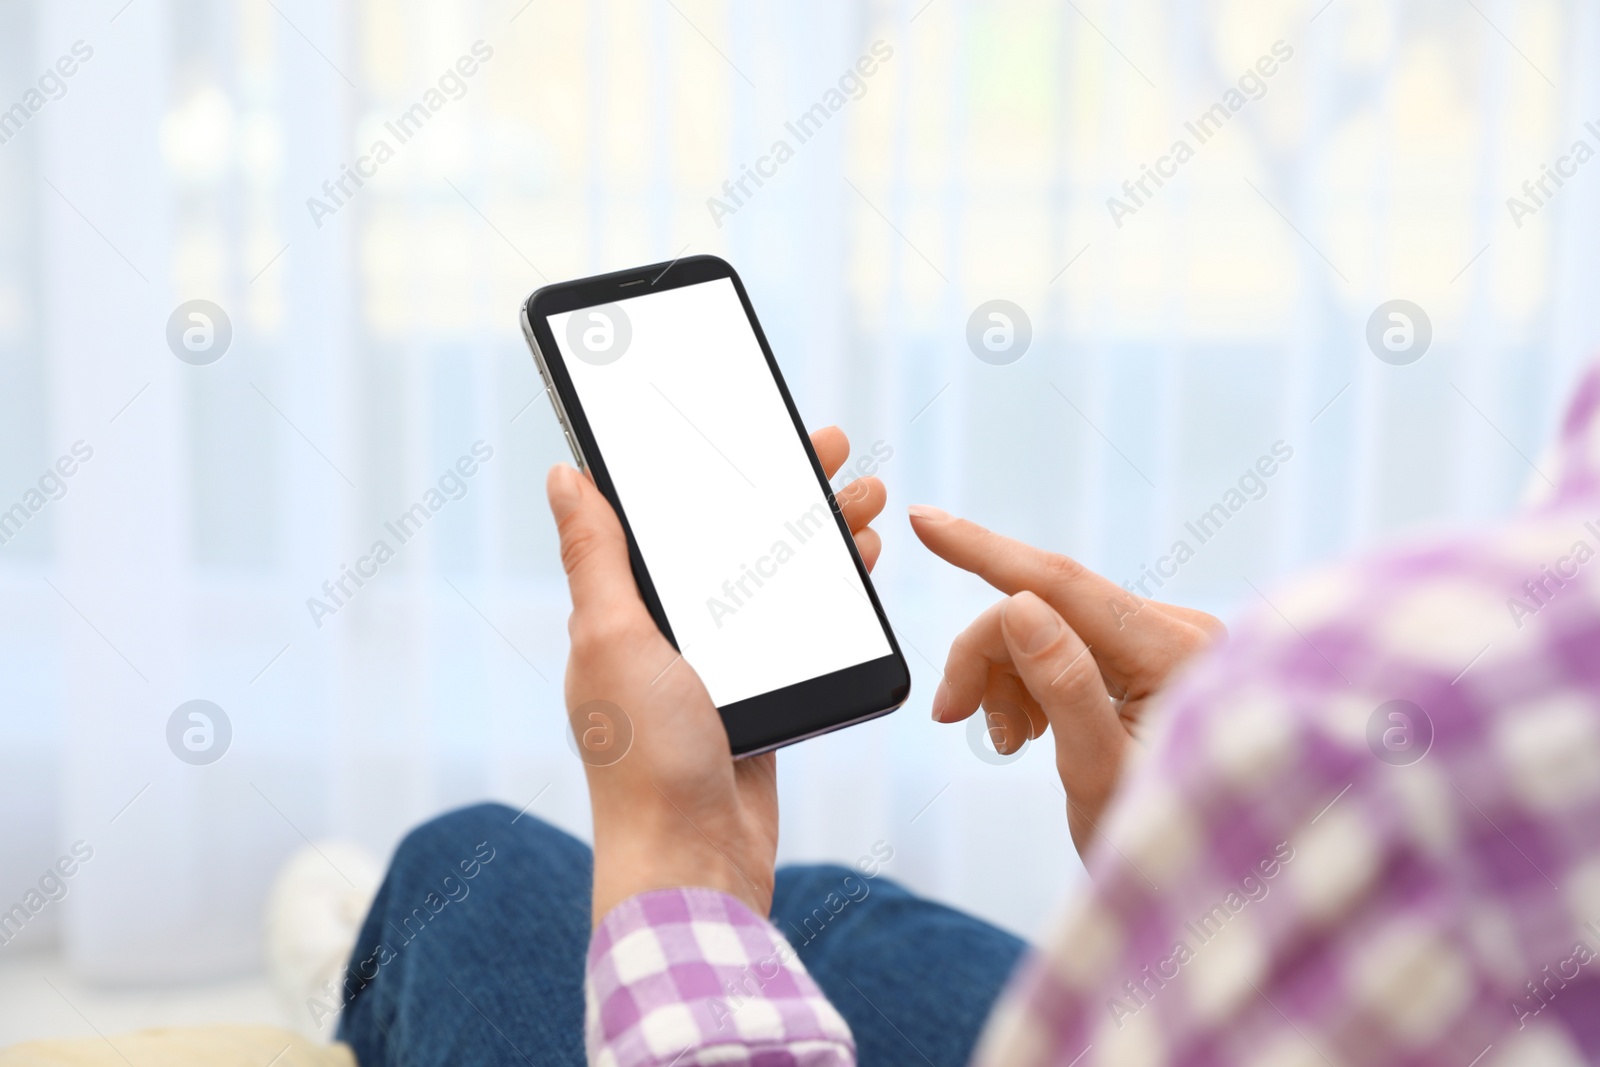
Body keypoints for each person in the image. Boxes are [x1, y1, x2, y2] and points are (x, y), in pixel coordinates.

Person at [340, 367, 1600, 1065]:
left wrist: (682, 866)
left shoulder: (1429, 689)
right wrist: (1254, 885)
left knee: (479, 868)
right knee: (832, 912)